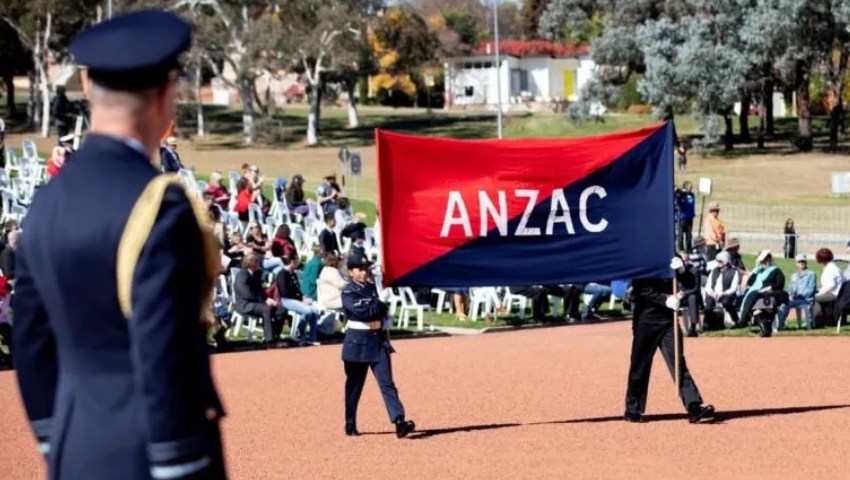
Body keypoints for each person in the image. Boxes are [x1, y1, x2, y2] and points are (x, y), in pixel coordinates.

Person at [12, 11, 227, 480]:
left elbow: (30, 341)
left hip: (74, 451)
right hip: (149, 456)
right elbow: (164, 353)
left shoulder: (49, 200)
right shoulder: (160, 204)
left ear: (87, 86)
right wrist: (181, 466)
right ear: (166, 95)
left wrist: (55, 440)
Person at [624, 265, 715, 424]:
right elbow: (641, 289)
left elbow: (691, 284)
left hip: (668, 320)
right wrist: (665, 299)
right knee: (640, 364)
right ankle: (633, 408)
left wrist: (683, 271)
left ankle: (693, 405)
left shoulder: (670, 255)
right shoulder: (644, 258)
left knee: (678, 363)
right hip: (646, 320)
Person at [341, 252, 416, 438]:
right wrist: (381, 305)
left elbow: (375, 310)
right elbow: (364, 312)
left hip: (377, 340)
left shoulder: (373, 287)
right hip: (357, 343)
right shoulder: (348, 291)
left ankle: (399, 421)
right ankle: (350, 423)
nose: (364, 272)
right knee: (354, 386)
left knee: (387, 383)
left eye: (366, 268)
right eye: (360, 269)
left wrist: (380, 307)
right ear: (351, 272)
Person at [233, 253, 286, 347]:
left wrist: (268, 299)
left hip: (254, 302)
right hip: (244, 304)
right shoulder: (242, 275)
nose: (260, 264)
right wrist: (264, 301)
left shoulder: (255, 274)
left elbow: (260, 291)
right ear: (252, 264)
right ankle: (269, 340)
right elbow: (247, 294)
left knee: (281, 309)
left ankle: (275, 335)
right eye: (258, 262)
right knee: (266, 309)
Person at [275, 256, 320, 345]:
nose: (298, 262)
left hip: (295, 299)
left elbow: (297, 290)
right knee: (308, 311)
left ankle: (311, 338)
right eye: (296, 260)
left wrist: (303, 297)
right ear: (292, 262)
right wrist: (301, 300)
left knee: (314, 311)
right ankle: (299, 333)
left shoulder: (293, 274)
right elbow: (285, 293)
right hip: (286, 300)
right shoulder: (282, 274)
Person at [738, 250, 786, 330]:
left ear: (769, 260)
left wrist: (770, 287)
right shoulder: (759, 271)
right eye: (762, 261)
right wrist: (755, 272)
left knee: (752, 294)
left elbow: (780, 284)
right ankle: (745, 318)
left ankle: (743, 320)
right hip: (757, 292)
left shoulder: (776, 270)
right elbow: (750, 283)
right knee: (747, 294)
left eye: (765, 261)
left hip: (769, 293)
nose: (764, 263)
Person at [776, 254, 816, 330]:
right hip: (795, 299)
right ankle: (780, 323)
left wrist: (798, 296)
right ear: (796, 263)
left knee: (786, 304)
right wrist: (790, 295)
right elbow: (790, 288)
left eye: (803, 261)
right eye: (799, 262)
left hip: (806, 300)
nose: (801, 263)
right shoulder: (794, 275)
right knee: (782, 303)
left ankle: (780, 325)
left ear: (806, 262)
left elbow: (811, 290)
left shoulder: (811, 274)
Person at [703, 251, 740, 329]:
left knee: (726, 302)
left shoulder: (734, 271)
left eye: (720, 261)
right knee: (709, 301)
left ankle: (736, 320)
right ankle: (708, 324)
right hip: (714, 294)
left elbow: (734, 288)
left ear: (726, 261)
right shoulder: (714, 271)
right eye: (717, 261)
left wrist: (724, 293)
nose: (718, 263)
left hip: (727, 294)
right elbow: (708, 286)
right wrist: (712, 293)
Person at [671, 255, 702, 337]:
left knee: (693, 298)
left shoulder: (695, 271)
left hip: (691, 295)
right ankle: (672, 328)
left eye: (686, 260)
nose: (684, 262)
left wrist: (684, 293)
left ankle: (693, 328)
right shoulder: (675, 271)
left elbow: (696, 288)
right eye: (683, 260)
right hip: (678, 295)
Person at [814, 248, 844, 325]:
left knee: (813, 298)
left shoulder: (830, 269)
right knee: (815, 295)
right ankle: (820, 319)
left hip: (834, 294)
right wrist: (819, 290)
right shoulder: (831, 267)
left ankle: (817, 320)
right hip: (834, 292)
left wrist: (820, 293)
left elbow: (831, 285)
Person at [676, 181, 696, 252]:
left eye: (691, 187)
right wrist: (681, 193)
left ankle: (689, 249)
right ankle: (681, 249)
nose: (691, 188)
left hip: (690, 218)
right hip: (682, 218)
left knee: (689, 235)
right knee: (681, 235)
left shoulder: (692, 195)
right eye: (689, 186)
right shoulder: (681, 195)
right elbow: (678, 199)